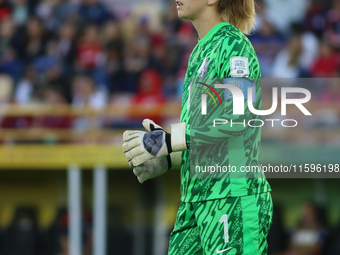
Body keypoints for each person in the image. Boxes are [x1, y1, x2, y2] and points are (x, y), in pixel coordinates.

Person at [122, 0, 273, 254]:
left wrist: (169, 142)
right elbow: (203, 139)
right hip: (195, 201)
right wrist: (167, 159)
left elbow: (238, 121)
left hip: (231, 198)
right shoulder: (198, 53)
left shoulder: (234, 46)